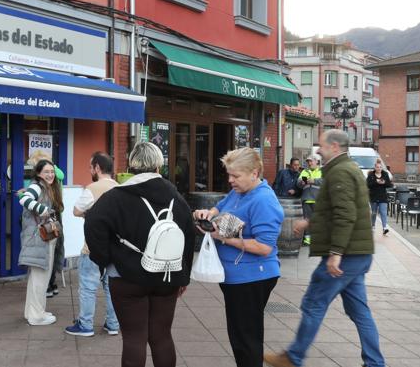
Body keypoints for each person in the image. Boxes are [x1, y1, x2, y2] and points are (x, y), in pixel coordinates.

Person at [264, 130, 385, 367]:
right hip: (357, 254)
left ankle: (293, 357)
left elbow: (345, 215)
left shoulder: (340, 171)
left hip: (346, 255)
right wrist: (310, 222)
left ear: (336, 146)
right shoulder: (345, 170)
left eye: (322, 145)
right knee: (359, 312)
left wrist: (336, 253)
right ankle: (375, 363)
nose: (318, 150)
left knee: (313, 303)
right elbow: (338, 210)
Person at [85, 142, 195, 367]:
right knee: (162, 336)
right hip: (167, 276)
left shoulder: (116, 196)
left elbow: (93, 224)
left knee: (134, 338)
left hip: (126, 277)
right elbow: (189, 233)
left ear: (131, 166)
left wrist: (105, 259)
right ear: (159, 167)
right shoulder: (176, 197)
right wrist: (184, 275)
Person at [193, 147, 283, 367]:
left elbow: (264, 247)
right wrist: (207, 214)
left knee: (246, 339)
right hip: (238, 276)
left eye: (236, 175)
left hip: (252, 277)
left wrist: (224, 237)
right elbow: (221, 206)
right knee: (241, 335)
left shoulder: (263, 200)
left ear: (254, 173)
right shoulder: (240, 191)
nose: (230, 180)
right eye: (229, 175)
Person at [65, 152, 120, 337]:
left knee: (88, 287)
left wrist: (89, 214)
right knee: (111, 287)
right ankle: (113, 324)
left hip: (93, 247)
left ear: (97, 168)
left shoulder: (92, 188)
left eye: (90, 167)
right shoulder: (120, 188)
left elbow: (76, 210)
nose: (90, 170)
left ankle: (85, 325)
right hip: (114, 248)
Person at [18, 159, 64, 326]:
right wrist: (43, 210)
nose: (50, 175)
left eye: (52, 171)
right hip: (39, 238)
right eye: (46, 172)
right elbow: (24, 199)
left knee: (38, 278)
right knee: (40, 278)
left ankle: (33, 312)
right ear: (38, 173)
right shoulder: (37, 186)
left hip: (42, 238)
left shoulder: (46, 187)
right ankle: (37, 316)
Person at [296, 156, 322, 246]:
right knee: (307, 220)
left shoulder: (322, 171)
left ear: (316, 162)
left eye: (311, 161)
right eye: (308, 162)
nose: (309, 163)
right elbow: (298, 182)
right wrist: (302, 182)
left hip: (318, 200)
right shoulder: (305, 171)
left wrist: (313, 181)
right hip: (307, 199)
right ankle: (307, 240)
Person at [367, 160, 392, 235]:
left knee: (383, 212)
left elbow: (389, 184)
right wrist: (376, 182)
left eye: (380, 167)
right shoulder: (371, 175)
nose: (379, 168)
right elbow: (368, 184)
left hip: (382, 197)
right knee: (374, 213)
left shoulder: (385, 174)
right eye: (377, 167)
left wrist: (384, 183)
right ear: (375, 168)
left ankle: (384, 228)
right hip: (374, 196)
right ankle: (373, 226)